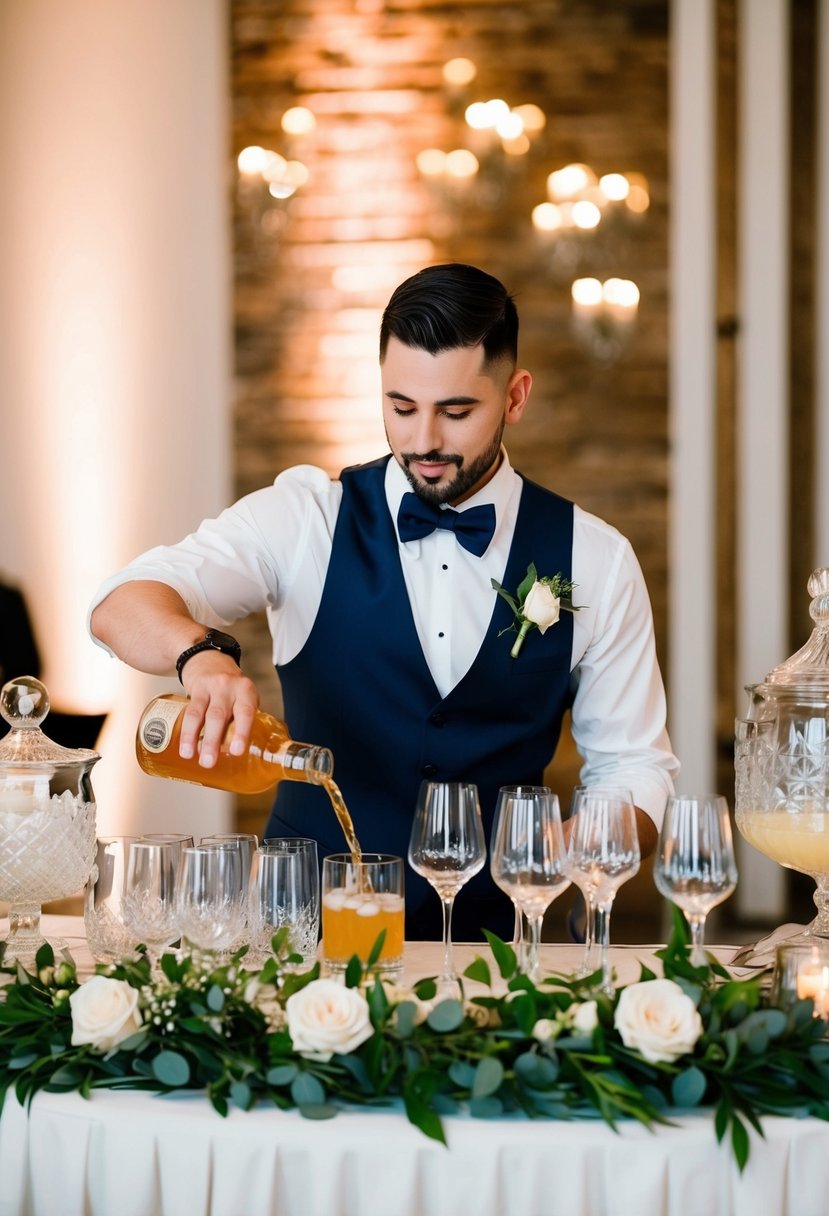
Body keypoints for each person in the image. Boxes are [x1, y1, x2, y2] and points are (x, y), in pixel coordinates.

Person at [89, 263, 678, 940]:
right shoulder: (306, 516)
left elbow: (632, 763)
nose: (423, 441)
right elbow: (120, 602)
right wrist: (201, 658)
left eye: (456, 412)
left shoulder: (595, 558)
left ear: (514, 398)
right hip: (303, 941)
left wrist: (584, 842)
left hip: (502, 948)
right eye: (401, 407)